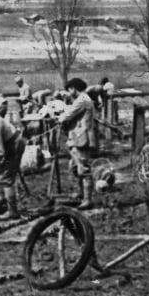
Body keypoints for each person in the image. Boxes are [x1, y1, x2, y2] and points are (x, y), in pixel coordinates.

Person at [58, 78, 99, 209]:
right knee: (74, 166)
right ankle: (79, 193)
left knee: (84, 168)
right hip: (77, 136)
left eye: (69, 90)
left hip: (82, 137)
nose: (69, 93)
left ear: (73, 88)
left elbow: (67, 115)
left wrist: (60, 117)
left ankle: (87, 199)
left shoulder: (82, 100)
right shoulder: (82, 99)